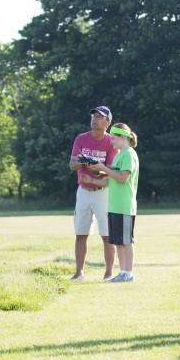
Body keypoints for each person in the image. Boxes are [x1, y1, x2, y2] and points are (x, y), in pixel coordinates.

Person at [69, 106, 118, 281]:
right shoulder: (81, 138)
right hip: (83, 191)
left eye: (99, 117)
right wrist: (84, 161)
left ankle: (109, 272)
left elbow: (112, 171)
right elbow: (72, 164)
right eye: (93, 116)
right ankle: (79, 272)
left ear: (108, 122)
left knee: (107, 235)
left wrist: (97, 169)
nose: (94, 119)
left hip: (102, 192)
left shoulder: (111, 142)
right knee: (81, 233)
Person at [92, 123, 140, 283]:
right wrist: (94, 177)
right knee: (118, 241)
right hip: (114, 205)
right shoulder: (119, 154)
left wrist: (104, 169)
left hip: (125, 205)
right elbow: (113, 179)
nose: (111, 141)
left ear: (123, 137)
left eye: (113, 138)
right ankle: (122, 272)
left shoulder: (128, 154)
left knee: (126, 241)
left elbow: (123, 178)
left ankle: (129, 273)